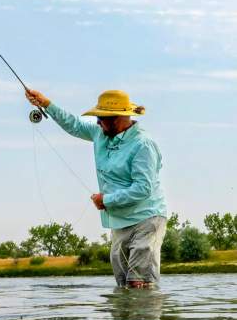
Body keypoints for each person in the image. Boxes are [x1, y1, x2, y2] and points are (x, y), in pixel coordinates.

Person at [25, 89, 167, 288]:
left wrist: (105, 200)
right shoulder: (100, 133)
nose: (97, 122)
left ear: (118, 119)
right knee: (122, 282)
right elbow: (74, 124)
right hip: (119, 220)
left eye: (101, 118)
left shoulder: (143, 145)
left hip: (146, 218)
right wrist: (46, 103)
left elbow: (143, 188)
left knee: (138, 282)